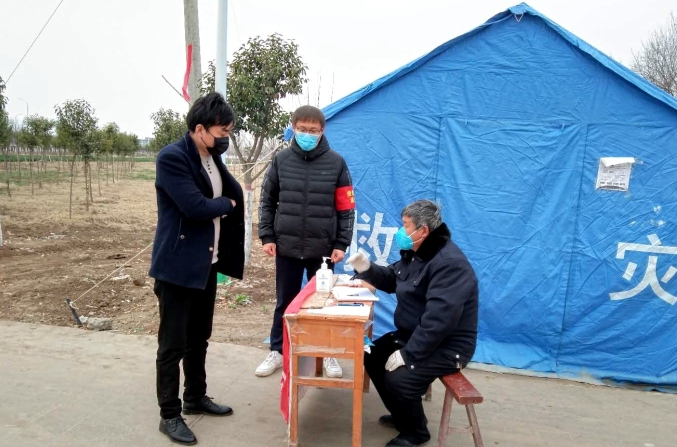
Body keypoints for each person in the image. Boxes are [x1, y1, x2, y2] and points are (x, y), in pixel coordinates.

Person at [149, 92, 245, 445]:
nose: (226, 138)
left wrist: (224, 204)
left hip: (207, 263)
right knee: (172, 345)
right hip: (177, 267)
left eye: (229, 132)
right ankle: (169, 414)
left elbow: (213, 201)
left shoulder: (211, 157)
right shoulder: (172, 158)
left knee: (198, 338)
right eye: (222, 132)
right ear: (200, 129)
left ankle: (195, 396)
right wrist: (228, 204)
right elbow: (194, 206)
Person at [346, 200, 478, 447]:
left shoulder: (449, 263)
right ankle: (402, 415)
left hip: (447, 345)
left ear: (423, 230)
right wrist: (366, 268)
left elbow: (439, 321)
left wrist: (409, 354)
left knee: (399, 378)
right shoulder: (417, 254)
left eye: (406, 225)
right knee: (372, 355)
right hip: (414, 333)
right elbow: (392, 278)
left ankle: (415, 432)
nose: (401, 231)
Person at [256, 105, 356, 378]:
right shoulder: (281, 160)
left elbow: (346, 207)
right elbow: (267, 201)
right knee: (285, 302)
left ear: (322, 131)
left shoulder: (336, 163)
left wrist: (341, 243)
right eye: (302, 129)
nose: (307, 135)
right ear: (293, 128)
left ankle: (327, 353)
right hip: (286, 247)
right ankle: (278, 350)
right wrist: (267, 236)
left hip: (322, 250)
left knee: (323, 303)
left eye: (313, 130)